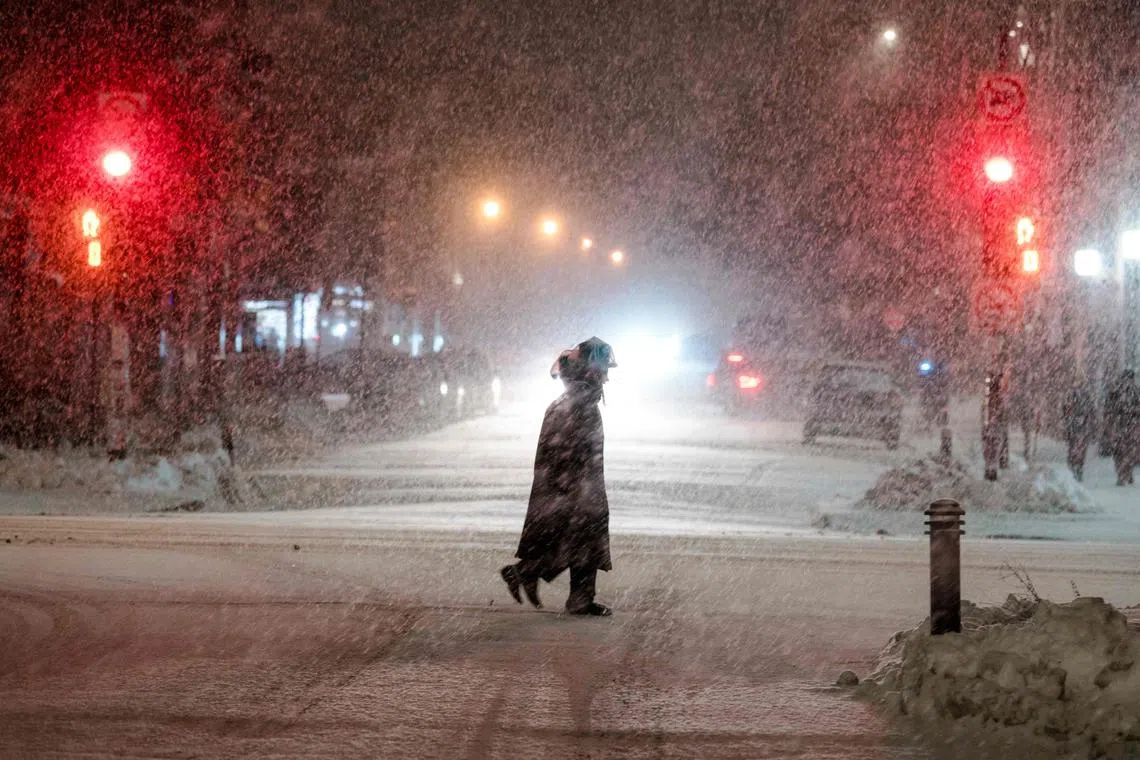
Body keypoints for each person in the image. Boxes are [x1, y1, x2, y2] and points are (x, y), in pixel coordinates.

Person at [501, 337, 616, 616]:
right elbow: (566, 450)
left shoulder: (576, 395)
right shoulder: (577, 399)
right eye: (603, 367)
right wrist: (575, 487)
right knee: (579, 535)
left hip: (575, 481)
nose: (607, 375)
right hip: (575, 482)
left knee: (580, 536)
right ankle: (529, 574)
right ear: (591, 368)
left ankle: (572, 595)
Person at [1103, 369, 1140, 486]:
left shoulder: (1116, 390)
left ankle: (1122, 474)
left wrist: (1109, 422)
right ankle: (1126, 473)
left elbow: (1108, 409)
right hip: (1130, 426)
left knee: (1120, 451)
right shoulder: (1135, 391)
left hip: (1120, 425)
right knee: (1128, 451)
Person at [1061, 380, 1098, 482]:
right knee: (1079, 448)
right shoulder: (1085, 396)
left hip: (1074, 427)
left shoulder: (1070, 395)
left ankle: (1074, 467)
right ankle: (1077, 468)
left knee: (1074, 447)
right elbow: (1092, 412)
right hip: (1081, 428)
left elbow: (1064, 412)